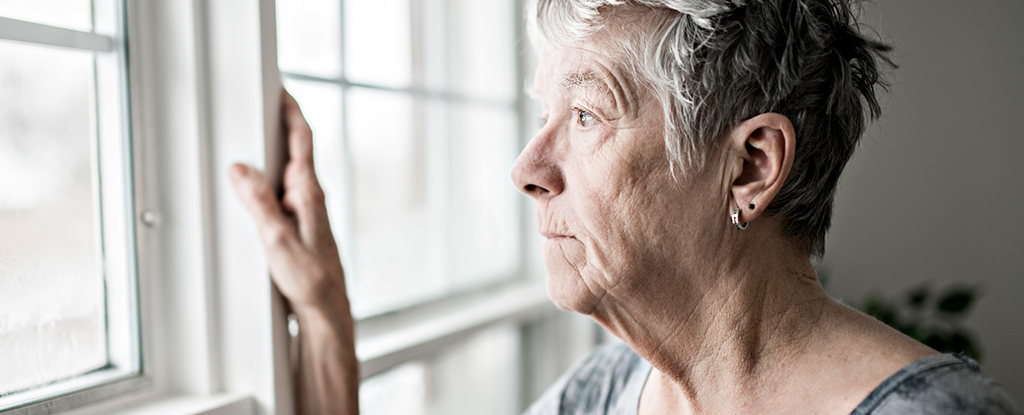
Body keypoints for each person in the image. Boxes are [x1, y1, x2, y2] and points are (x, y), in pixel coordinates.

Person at [230, 0, 1020, 414]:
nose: (527, 169)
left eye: (585, 115)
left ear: (750, 165)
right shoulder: (604, 392)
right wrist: (327, 322)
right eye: (542, 116)